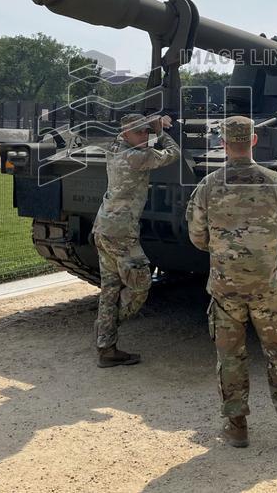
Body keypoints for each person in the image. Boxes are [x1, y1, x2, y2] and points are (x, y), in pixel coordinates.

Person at [186, 115, 277, 450]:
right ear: (253, 141)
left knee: (230, 357)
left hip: (225, 289)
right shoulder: (276, 183)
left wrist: (225, 249)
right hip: (266, 287)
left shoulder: (208, 186)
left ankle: (237, 428)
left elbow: (197, 236)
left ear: (223, 143)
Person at [92, 112, 180, 367]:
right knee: (141, 284)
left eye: (146, 131)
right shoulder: (139, 157)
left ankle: (106, 348)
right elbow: (173, 153)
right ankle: (106, 329)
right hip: (121, 234)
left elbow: (133, 138)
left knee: (110, 289)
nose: (144, 135)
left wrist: (152, 123)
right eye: (138, 131)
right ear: (125, 133)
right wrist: (160, 131)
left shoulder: (115, 148)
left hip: (104, 227)